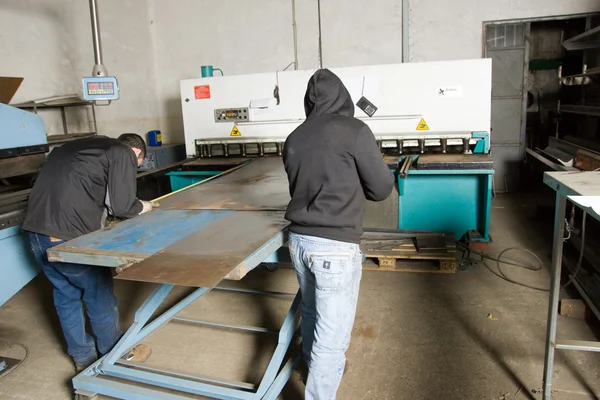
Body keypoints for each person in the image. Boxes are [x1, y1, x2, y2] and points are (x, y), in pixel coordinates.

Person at [283, 69, 395, 399]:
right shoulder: (355, 132)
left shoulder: (294, 137)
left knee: (311, 312)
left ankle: (311, 366)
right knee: (331, 339)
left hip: (299, 241)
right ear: (343, 97)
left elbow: (298, 187)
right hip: (334, 246)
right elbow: (381, 188)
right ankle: (321, 384)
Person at [23, 133, 154, 372]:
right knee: (99, 295)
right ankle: (115, 353)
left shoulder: (72, 148)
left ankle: (82, 355)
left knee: (66, 295)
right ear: (137, 153)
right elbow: (123, 206)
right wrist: (145, 206)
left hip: (36, 234)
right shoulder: (122, 152)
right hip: (67, 236)